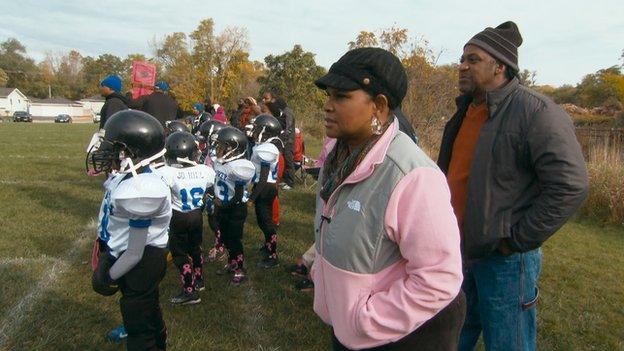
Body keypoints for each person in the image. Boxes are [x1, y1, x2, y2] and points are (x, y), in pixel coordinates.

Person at [437, 22, 589, 351]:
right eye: (461, 58)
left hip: (505, 261)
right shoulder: (465, 111)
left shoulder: (536, 112)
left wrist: (515, 240)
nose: (462, 65)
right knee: (451, 337)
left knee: (509, 343)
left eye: (473, 59)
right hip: (459, 252)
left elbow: (571, 184)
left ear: (500, 66)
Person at [310, 47, 465, 350]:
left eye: (341, 97)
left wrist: (366, 320)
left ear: (379, 106)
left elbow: (439, 277)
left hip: (400, 337)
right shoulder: (338, 160)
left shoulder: (412, 175)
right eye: (328, 96)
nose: (327, 106)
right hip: (349, 330)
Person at [89, 110, 170, 351]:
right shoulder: (126, 177)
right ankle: (159, 339)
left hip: (141, 261)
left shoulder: (142, 188)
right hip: (130, 257)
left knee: (138, 323)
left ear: (131, 152)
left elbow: (134, 252)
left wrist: (109, 275)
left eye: (113, 148)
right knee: (146, 310)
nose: (107, 152)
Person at [159, 131, 215, 305]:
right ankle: (199, 280)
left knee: (179, 253)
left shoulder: (167, 172)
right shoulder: (205, 170)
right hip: (196, 215)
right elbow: (210, 188)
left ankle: (189, 291)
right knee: (195, 248)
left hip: (179, 216)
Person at [212, 127, 255, 285]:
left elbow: (237, 196)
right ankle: (232, 263)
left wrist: (222, 205)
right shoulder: (221, 163)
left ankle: (240, 269)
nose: (218, 148)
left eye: (222, 145)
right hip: (223, 206)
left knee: (234, 240)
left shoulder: (240, 167)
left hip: (235, 207)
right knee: (226, 238)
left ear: (233, 148)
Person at [247, 114, 283, 269]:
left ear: (265, 131)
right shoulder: (267, 145)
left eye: (257, 128)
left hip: (264, 187)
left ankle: (273, 255)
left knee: (266, 222)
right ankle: (268, 245)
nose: (254, 131)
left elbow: (263, 177)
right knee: (263, 221)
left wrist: (252, 198)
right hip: (266, 186)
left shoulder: (267, 149)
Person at [263, 91, 296, 190]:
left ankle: (290, 182)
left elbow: (288, 128)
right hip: (283, 140)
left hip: (288, 141)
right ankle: (285, 180)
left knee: (289, 160)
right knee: (284, 161)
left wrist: (283, 138)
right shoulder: (282, 112)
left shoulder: (287, 112)